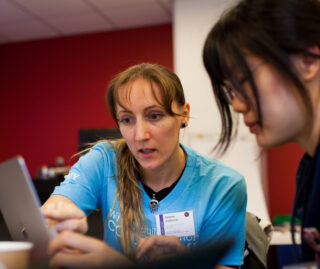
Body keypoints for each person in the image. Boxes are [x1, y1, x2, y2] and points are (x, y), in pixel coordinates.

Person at [42, 63, 247, 268]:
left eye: (154, 116)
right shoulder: (104, 160)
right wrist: (58, 219)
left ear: (184, 114)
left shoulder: (222, 185)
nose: (140, 135)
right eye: (127, 120)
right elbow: (52, 211)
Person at [202, 0, 320, 263]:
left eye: (242, 81)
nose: (237, 105)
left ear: (307, 61)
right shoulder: (310, 169)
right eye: (229, 91)